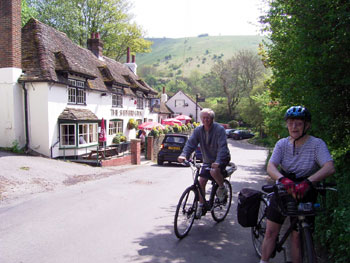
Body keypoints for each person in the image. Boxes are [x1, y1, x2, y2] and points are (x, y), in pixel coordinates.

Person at [260, 106, 335, 263]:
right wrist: (283, 180)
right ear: (287, 124)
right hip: (284, 188)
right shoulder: (282, 144)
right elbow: (271, 166)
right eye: (291, 122)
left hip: (306, 189)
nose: (294, 127)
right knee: (271, 232)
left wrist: (308, 182)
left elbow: (329, 167)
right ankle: (264, 260)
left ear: (306, 126)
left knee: (297, 236)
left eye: (299, 123)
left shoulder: (317, 144)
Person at [178, 108, 231, 219]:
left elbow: (222, 147)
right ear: (201, 119)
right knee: (201, 181)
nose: (206, 120)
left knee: (214, 171)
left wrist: (218, 161)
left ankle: (222, 188)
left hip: (221, 158)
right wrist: (184, 155)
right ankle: (201, 206)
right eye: (204, 118)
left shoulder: (219, 130)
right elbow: (190, 144)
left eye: (208, 118)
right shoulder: (198, 130)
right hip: (207, 159)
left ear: (212, 119)